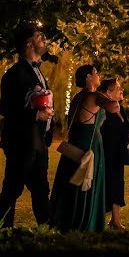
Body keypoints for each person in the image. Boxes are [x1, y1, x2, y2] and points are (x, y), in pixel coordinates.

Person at [0, 25, 55, 228]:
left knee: (40, 186)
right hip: (21, 141)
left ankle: (46, 227)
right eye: (39, 36)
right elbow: (6, 108)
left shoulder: (38, 71)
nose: (44, 39)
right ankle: (4, 229)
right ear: (29, 44)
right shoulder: (14, 74)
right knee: (13, 187)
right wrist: (36, 114)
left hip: (38, 140)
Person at [49, 65, 117, 231]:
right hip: (89, 144)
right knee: (86, 180)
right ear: (88, 77)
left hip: (76, 141)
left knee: (72, 180)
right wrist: (109, 96)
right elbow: (114, 107)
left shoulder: (77, 97)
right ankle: (85, 221)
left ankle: (65, 218)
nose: (98, 75)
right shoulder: (94, 96)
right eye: (95, 72)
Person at [99, 78, 129, 230]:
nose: (122, 90)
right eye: (118, 88)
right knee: (110, 184)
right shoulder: (104, 109)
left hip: (119, 154)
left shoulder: (121, 108)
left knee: (118, 184)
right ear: (108, 93)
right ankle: (110, 218)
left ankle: (115, 219)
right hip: (108, 153)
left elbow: (126, 126)